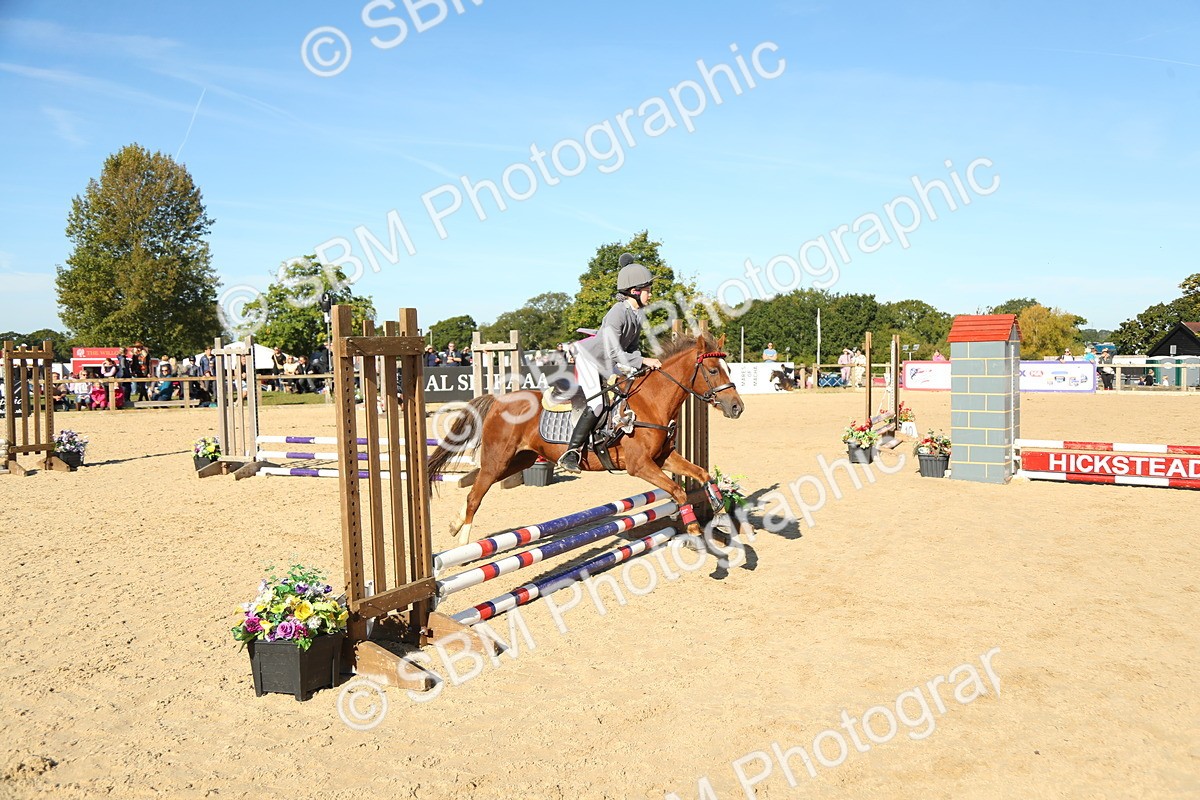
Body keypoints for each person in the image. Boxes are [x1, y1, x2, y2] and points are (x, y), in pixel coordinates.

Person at [559, 253, 661, 473]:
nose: (650, 294)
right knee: (597, 404)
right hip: (590, 358)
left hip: (611, 359)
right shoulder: (617, 312)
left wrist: (640, 365)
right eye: (647, 290)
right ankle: (572, 452)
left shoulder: (638, 315)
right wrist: (643, 360)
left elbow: (631, 348)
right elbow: (614, 348)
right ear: (634, 291)